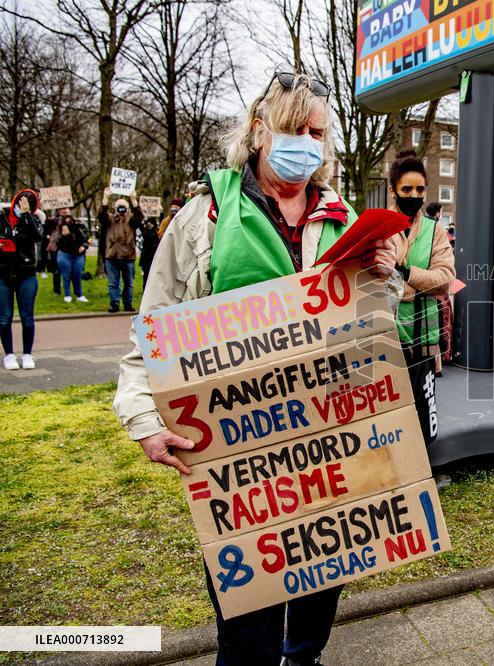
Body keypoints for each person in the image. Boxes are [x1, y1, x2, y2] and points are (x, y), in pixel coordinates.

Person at [112, 70, 395, 666]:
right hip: (242, 460)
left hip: (329, 441)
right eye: (297, 129)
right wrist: (142, 417)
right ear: (260, 130)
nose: (309, 144)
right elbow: (154, 328)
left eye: (318, 132)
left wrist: (382, 279)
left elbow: (372, 328)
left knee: (322, 588)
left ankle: (304, 657)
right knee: (248, 631)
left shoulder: (343, 217)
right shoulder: (203, 218)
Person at [384, 149, 456, 446]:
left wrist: (406, 273)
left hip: (423, 341)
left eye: (420, 189)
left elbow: (446, 279)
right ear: (393, 190)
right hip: (386, 339)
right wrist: (413, 287)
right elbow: (370, 279)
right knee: (389, 418)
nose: (414, 195)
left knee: (424, 419)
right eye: (407, 189)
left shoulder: (434, 230)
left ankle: (424, 465)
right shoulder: (377, 226)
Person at [1, 190, 43, 371]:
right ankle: (9, 355)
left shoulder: (33, 220)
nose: (22, 206)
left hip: (26, 274)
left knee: (27, 316)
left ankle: (27, 354)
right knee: (4, 317)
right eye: (20, 203)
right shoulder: (2, 217)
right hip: (3, 273)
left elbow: (37, 237)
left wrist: (27, 215)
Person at [99, 187, 143, 312]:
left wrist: (134, 200)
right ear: (115, 208)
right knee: (113, 283)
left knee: (129, 283)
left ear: (128, 208)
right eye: (119, 206)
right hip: (112, 255)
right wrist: (105, 198)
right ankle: (114, 303)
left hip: (128, 256)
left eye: (124, 206)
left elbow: (140, 216)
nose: (121, 209)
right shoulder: (110, 219)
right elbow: (101, 215)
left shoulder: (131, 220)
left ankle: (128, 303)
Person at [55, 213, 89, 303]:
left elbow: (86, 238)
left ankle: (79, 295)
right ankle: (67, 295)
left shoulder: (79, 227)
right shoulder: (60, 229)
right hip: (65, 253)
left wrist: (84, 246)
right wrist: (66, 235)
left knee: (77, 274)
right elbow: (59, 242)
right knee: (66, 275)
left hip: (78, 254)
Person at [138, 213, 160, 286]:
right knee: (146, 275)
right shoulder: (145, 231)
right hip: (146, 257)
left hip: (152, 256)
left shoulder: (155, 231)